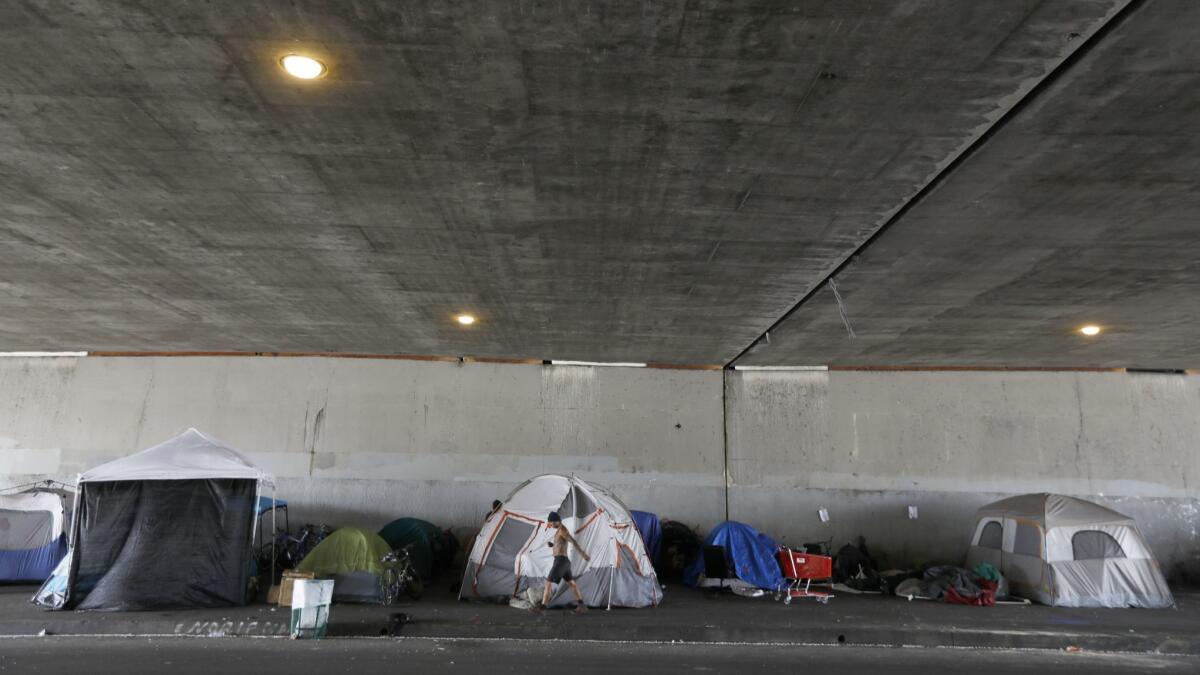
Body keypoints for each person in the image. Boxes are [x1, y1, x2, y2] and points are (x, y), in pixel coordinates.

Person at [536, 511, 590, 613]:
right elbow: (561, 544)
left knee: (548, 583)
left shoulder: (563, 530)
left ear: (556, 521)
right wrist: (553, 545)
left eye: (551, 523)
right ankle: (582, 606)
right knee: (572, 584)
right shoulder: (559, 531)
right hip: (564, 561)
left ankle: (542, 607)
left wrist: (583, 554)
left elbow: (573, 541)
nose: (550, 525)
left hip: (560, 561)